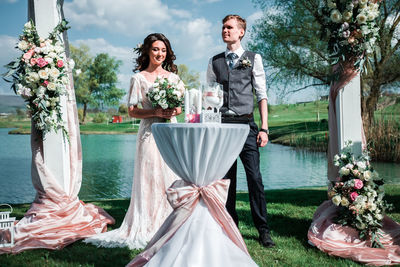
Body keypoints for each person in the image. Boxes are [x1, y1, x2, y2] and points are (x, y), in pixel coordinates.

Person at [84, 33, 184, 249]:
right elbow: (132, 111)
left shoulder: (174, 79)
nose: (160, 53)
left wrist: (170, 111)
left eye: (163, 50)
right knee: (150, 176)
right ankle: (148, 223)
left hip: (170, 131)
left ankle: (173, 222)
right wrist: (154, 111)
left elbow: (179, 108)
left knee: (170, 175)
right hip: (149, 133)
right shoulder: (138, 78)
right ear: (147, 51)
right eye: (156, 49)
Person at [206, 14, 275, 248]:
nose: (225, 31)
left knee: (255, 178)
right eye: (223, 27)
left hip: (247, 126)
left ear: (241, 32)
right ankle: (230, 225)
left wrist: (264, 128)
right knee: (227, 180)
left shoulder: (254, 59)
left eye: (229, 27)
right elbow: (208, 98)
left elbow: (262, 95)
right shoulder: (214, 61)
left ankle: (263, 229)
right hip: (222, 128)